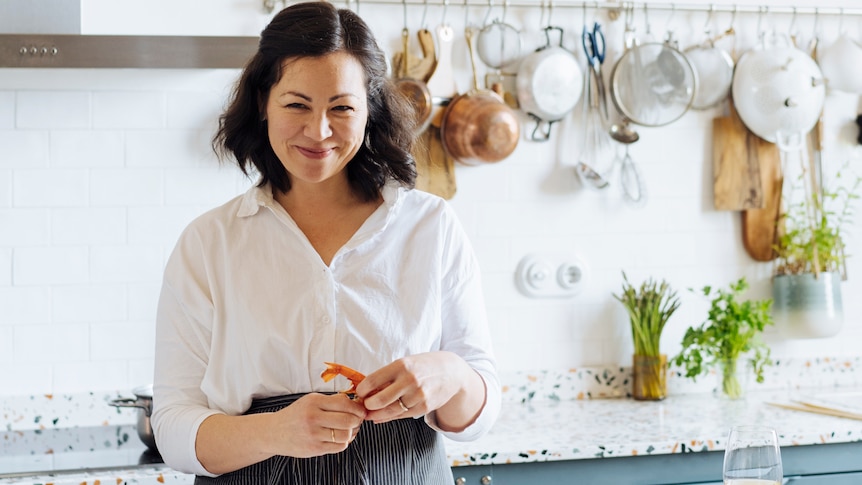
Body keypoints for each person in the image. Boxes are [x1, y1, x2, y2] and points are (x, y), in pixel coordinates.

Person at [150, 2, 501, 484]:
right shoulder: (210, 242)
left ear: (369, 109)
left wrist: (453, 376)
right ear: (262, 103)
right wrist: (277, 432)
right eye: (297, 104)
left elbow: (478, 414)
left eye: (341, 107)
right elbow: (171, 427)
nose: (319, 131)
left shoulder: (431, 226)